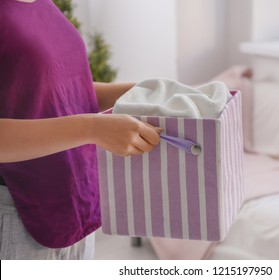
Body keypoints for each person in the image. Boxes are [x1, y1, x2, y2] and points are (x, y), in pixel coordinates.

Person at [0, 0, 161, 259]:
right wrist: (93, 127)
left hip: (71, 206)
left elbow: (55, 87)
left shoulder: (43, 4)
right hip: (19, 212)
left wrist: (139, 94)